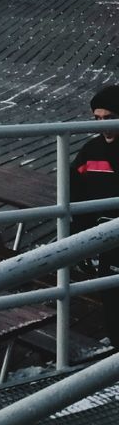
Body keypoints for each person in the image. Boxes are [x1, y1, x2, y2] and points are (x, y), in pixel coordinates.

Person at [70, 82, 119, 348]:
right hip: (106, 240)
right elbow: (75, 194)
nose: (103, 126)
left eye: (110, 118)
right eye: (98, 119)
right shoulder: (91, 151)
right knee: (112, 302)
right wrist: (80, 239)